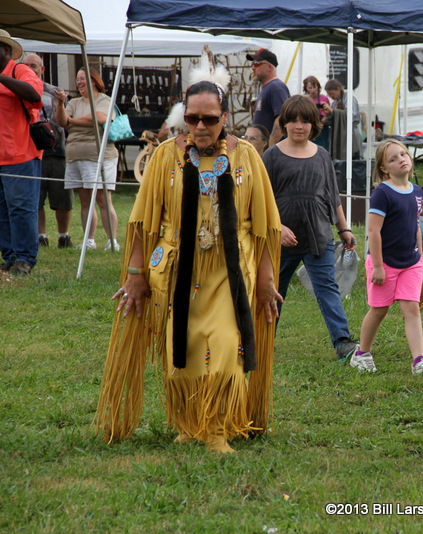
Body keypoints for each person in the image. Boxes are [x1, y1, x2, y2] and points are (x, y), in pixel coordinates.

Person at [95, 74, 283, 453]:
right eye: (192, 118)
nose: (200, 126)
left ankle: (217, 428)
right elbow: (143, 223)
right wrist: (135, 275)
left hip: (229, 272)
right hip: (178, 271)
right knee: (181, 349)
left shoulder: (247, 156)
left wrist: (265, 281)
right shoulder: (166, 156)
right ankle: (189, 422)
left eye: (209, 119)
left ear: (224, 117)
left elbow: (265, 227)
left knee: (226, 347)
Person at [263, 95, 359, 362]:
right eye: (293, 120)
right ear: (284, 123)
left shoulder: (322, 155)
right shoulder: (272, 156)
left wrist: (344, 229)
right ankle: (262, 341)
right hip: (281, 240)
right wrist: (277, 227)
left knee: (327, 287)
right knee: (273, 290)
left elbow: (332, 196)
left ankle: (342, 342)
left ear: (314, 124)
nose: (299, 126)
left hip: (318, 236)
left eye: (305, 121)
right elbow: (260, 199)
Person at [351, 139, 423, 375]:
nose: (401, 160)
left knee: (412, 309)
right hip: (384, 263)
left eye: (403, 154)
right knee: (379, 310)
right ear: (384, 168)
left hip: (410, 262)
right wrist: (378, 267)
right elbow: (374, 232)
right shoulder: (382, 193)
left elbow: (415, 227)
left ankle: (420, 361)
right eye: (393, 159)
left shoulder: (417, 191)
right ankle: (362, 354)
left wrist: (420, 259)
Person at [55, 67, 120, 251]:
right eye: (77, 79)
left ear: (94, 81)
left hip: (99, 156)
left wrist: (73, 121)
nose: (79, 82)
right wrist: (60, 104)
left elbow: (98, 118)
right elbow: (62, 122)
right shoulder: (74, 103)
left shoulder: (104, 100)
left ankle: (112, 241)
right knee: (85, 201)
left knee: (103, 199)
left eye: (83, 78)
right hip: (75, 156)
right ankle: (89, 241)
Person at [0, 29, 43, 276]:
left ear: (6, 50)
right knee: (3, 211)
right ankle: (10, 257)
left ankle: (25, 258)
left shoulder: (20, 71)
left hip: (20, 154)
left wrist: (1, 78)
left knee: (21, 208)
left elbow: (34, 95)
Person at [23, 54, 72, 250]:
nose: (29, 69)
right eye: (26, 65)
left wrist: (60, 103)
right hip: (29, 152)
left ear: (42, 69)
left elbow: (63, 122)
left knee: (62, 197)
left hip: (56, 151)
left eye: (33, 66)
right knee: (36, 198)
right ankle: (40, 236)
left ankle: (63, 236)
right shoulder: (17, 90)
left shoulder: (55, 92)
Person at [248, 48, 290, 147]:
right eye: (252, 64)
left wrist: (271, 145)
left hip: (271, 150)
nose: (253, 67)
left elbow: (281, 118)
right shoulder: (268, 87)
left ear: (269, 67)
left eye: (257, 64)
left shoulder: (276, 87)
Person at [322, 79, 361, 160]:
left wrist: (333, 111)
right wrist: (328, 116)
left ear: (338, 89)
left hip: (351, 134)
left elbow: (351, 116)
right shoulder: (334, 103)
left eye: (331, 94)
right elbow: (333, 121)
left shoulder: (349, 99)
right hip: (339, 137)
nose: (331, 96)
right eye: (329, 95)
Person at [303, 75, 331, 149]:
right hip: (310, 127)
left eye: (314, 87)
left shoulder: (324, 98)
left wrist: (325, 117)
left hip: (322, 128)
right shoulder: (305, 99)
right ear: (306, 89)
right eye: (310, 88)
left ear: (318, 87)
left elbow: (329, 113)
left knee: (322, 147)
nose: (313, 90)